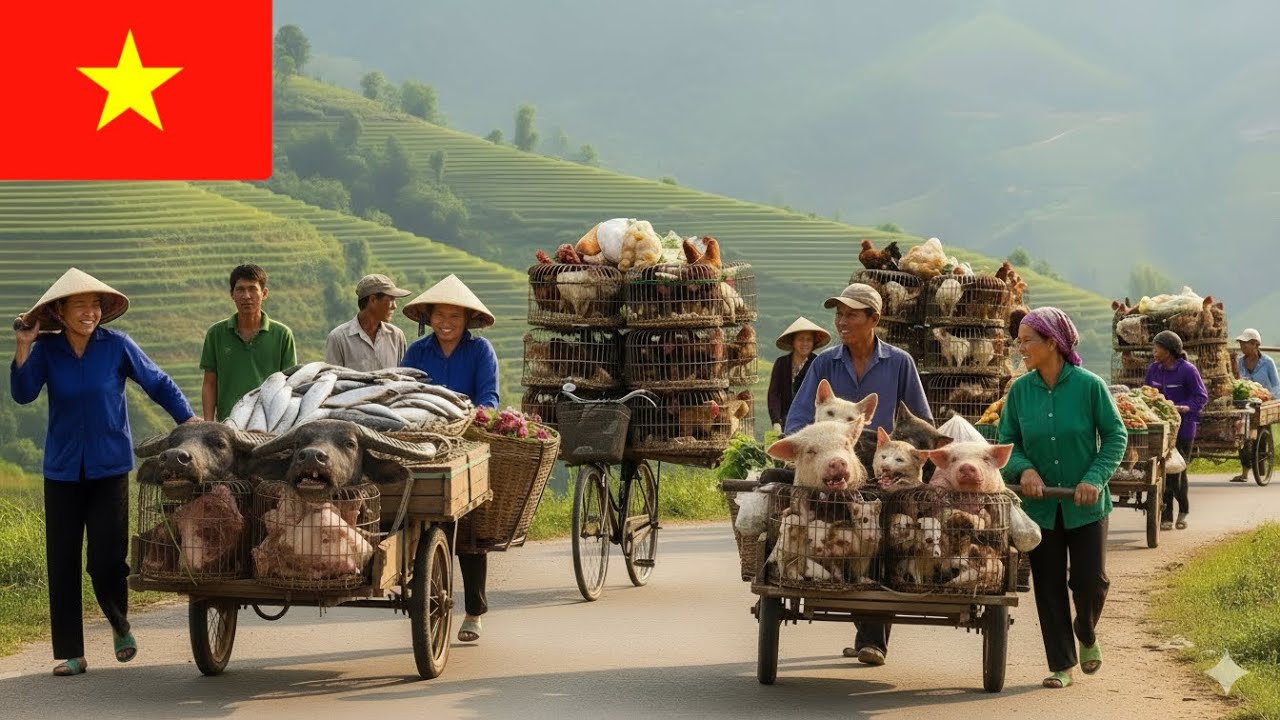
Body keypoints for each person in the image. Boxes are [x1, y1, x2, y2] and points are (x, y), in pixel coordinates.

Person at [9, 268, 197, 677]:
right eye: (80, 306)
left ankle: (118, 623)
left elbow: (158, 383)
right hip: (61, 468)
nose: (90, 313)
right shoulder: (46, 352)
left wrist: (189, 421)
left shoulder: (117, 346)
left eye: (95, 306)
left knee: (106, 559)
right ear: (60, 311)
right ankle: (71, 653)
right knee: (62, 562)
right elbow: (22, 395)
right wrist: (23, 347)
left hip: (109, 465)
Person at [784, 283, 932, 667]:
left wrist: (896, 462)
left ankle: (872, 637)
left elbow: (921, 424)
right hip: (833, 466)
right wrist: (803, 449)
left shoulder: (899, 362)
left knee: (881, 534)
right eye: (839, 314)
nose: (842, 321)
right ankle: (859, 619)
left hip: (883, 467)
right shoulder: (825, 363)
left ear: (874, 320)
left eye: (851, 314)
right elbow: (799, 419)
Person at [999, 307, 1126, 689]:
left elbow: (1116, 436)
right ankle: (1061, 664)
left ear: (1052, 342)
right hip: (1040, 508)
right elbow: (1008, 443)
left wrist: (1094, 478)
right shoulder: (1019, 391)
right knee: (1048, 585)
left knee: (1090, 582)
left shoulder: (1089, 386)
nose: (1020, 347)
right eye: (1018, 340)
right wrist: (1025, 470)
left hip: (1085, 505)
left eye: (1026, 341)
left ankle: (1085, 631)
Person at [401, 274, 499, 644]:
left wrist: (465, 418)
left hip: (465, 442)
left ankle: (474, 611)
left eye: (454, 318)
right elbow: (404, 391)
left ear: (466, 321)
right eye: (440, 316)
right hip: (422, 441)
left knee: (470, 534)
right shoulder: (417, 352)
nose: (446, 324)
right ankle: (422, 594)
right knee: (415, 519)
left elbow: (489, 398)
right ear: (429, 318)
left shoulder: (480, 352)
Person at [199, 264, 297, 421]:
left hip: (269, 423)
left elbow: (289, 385)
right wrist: (209, 424)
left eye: (252, 289)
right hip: (228, 424)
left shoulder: (282, 335)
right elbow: (209, 383)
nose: (246, 296)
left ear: (264, 293)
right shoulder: (216, 334)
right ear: (232, 294)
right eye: (240, 289)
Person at [1144, 330, 1208, 529]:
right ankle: (1165, 516)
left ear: (1169, 351)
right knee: (1161, 471)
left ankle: (1183, 510)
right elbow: (1147, 394)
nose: (1154, 351)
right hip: (1159, 431)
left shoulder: (1188, 371)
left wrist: (1184, 407)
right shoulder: (1154, 369)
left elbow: (1201, 396)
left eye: (1157, 347)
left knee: (1176, 472)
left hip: (1184, 429)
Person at [324, 274, 411, 372]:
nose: (394, 306)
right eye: (391, 300)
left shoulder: (396, 336)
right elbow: (332, 379)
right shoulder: (338, 338)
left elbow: (403, 377)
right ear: (373, 300)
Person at [766, 317, 830, 432]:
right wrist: (776, 421)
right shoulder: (781, 363)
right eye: (800, 339)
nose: (805, 343)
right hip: (785, 423)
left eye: (809, 340)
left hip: (811, 424)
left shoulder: (818, 363)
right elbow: (774, 394)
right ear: (793, 342)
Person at [1232, 328, 1280, 482]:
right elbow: (1237, 380)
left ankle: (1261, 470)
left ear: (1255, 344)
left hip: (1264, 403)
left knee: (1262, 435)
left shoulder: (1267, 362)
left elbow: (1276, 385)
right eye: (1241, 344)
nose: (1242, 347)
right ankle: (1245, 473)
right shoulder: (1240, 361)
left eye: (1245, 344)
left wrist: (1269, 398)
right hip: (1245, 403)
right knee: (1243, 436)